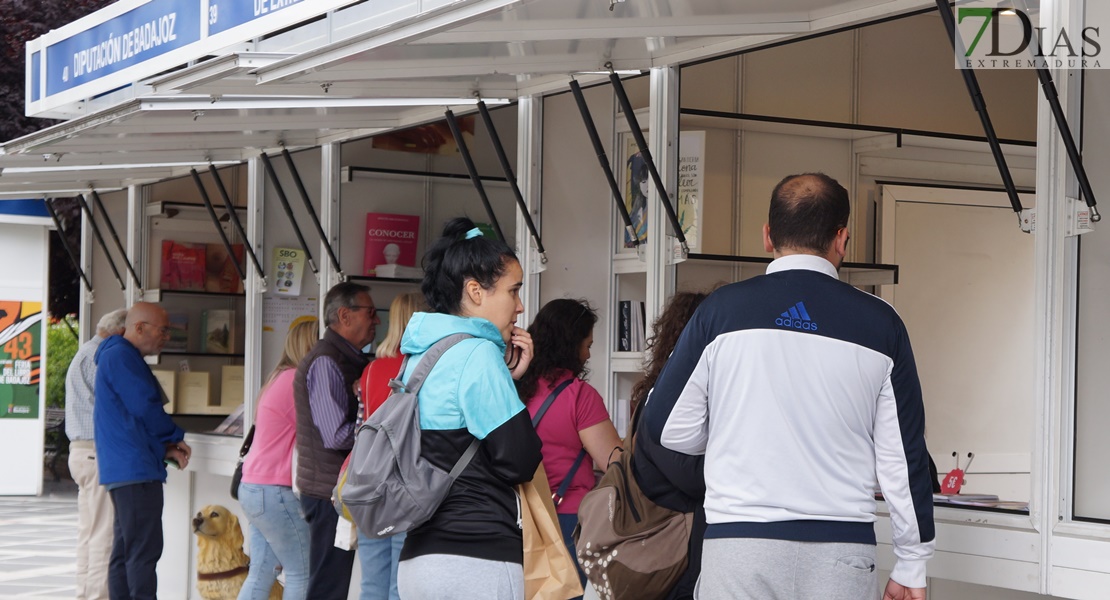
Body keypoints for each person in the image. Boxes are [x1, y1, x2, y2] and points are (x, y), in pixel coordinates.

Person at [642, 173, 935, 600]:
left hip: (739, 546)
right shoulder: (881, 324)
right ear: (841, 239)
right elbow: (903, 458)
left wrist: (730, 433)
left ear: (767, 236)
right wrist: (911, 562)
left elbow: (665, 426)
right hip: (842, 551)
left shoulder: (720, 312)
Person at [395, 217, 543, 600]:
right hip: (477, 558)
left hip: (417, 561)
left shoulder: (421, 354)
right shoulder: (478, 354)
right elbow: (519, 459)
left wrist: (507, 380)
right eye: (514, 291)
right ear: (476, 291)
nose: (521, 306)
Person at [515, 298, 621, 595]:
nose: (588, 354)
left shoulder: (514, 387)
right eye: (587, 344)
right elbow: (614, 462)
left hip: (519, 516)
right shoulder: (579, 396)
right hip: (567, 518)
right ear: (570, 346)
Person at [94, 302, 192, 600]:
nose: (166, 337)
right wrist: (174, 436)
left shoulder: (118, 355)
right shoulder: (121, 356)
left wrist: (165, 447)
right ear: (139, 327)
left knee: (126, 552)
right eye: (162, 330)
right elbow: (143, 406)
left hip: (127, 468)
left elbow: (132, 416)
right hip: (134, 470)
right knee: (142, 554)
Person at [294, 282, 379, 600]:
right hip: (329, 491)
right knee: (328, 586)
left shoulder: (348, 359)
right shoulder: (327, 362)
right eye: (370, 312)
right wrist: (377, 433)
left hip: (334, 487)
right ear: (345, 315)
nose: (376, 321)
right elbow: (335, 435)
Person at [628, 292, 707, 600]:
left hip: (669, 549)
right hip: (674, 555)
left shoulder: (657, 394)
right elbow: (691, 478)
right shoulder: (665, 405)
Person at [237, 319, 320, 600]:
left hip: (254, 487)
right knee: (302, 572)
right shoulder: (297, 380)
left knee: (261, 572)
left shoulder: (278, 377)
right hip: (275, 491)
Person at [355, 291, 425, 600]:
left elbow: (362, 426)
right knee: (400, 584)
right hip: (405, 481)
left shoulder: (371, 370)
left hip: (368, 479)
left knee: (371, 583)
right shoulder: (423, 368)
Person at [66, 308, 127, 600]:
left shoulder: (85, 353)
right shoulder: (102, 356)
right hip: (97, 452)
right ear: (119, 332)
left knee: (88, 534)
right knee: (104, 536)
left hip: (81, 453)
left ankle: (84, 594)